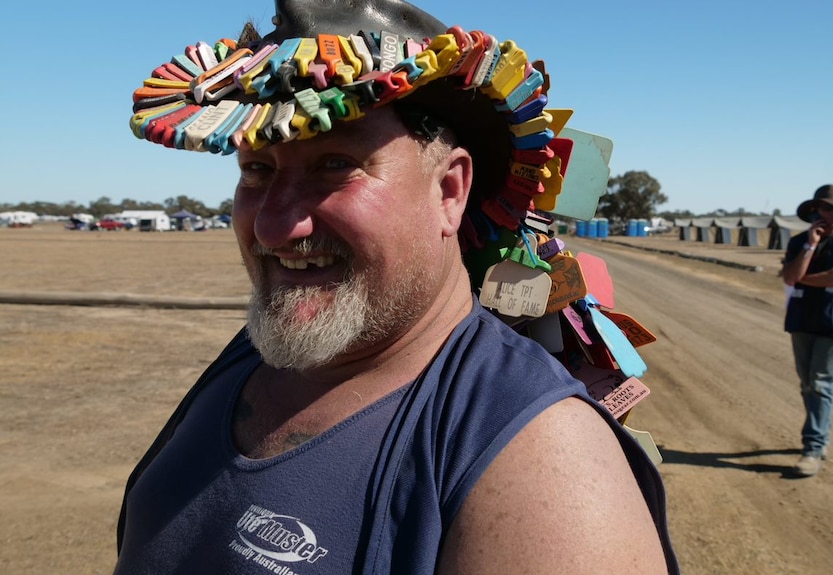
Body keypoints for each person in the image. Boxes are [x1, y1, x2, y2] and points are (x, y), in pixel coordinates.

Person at [116, 1, 678, 572]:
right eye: (257, 170)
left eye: (335, 164)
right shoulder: (256, 353)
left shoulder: (545, 464)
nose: (273, 226)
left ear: (449, 192)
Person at [782, 184, 833, 477]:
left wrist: (804, 278)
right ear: (815, 211)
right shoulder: (799, 241)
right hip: (802, 322)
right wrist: (810, 246)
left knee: (820, 384)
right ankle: (820, 437)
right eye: (827, 208)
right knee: (807, 383)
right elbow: (791, 277)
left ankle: (813, 447)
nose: (832, 214)